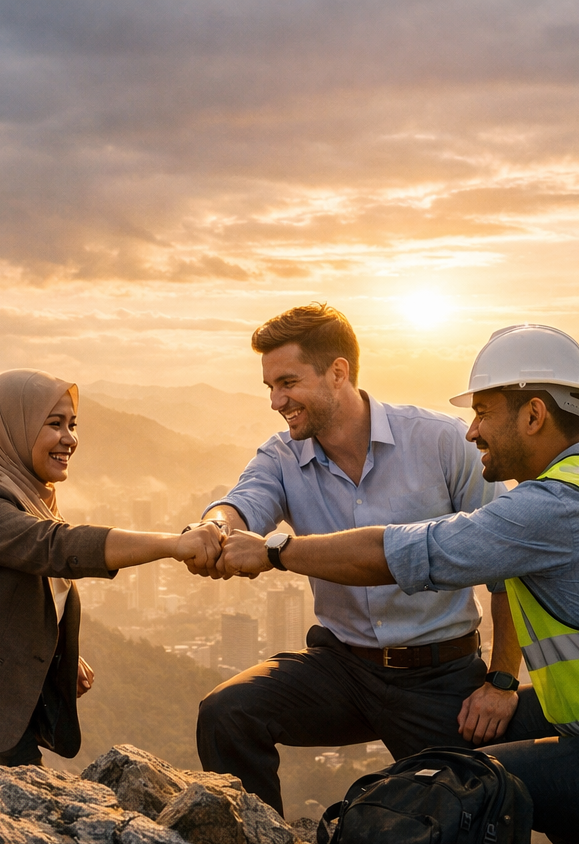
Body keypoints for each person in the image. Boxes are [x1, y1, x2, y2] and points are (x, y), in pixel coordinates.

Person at [219, 324, 579, 844]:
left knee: (450, 785)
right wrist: (501, 683)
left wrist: (278, 550)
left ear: (532, 416)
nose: (471, 431)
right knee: (472, 743)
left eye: (483, 413)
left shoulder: (551, 509)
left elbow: (399, 553)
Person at [188, 302, 512, 817]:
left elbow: (507, 574)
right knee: (227, 713)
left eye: (288, 382)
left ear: (338, 372)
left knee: (471, 817)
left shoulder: (442, 442)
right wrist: (214, 526)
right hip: (342, 666)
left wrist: (501, 682)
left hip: (439, 673)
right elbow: (243, 503)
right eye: (270, 387)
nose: (276, 400)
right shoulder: (281, 457)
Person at [0, 369, 224, 791]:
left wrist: (46, 653)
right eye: (54, 424)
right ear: (11, 426)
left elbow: (11, 593)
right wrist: (174, 544)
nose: (70, 438)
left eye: (72, 425)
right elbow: (53, 547)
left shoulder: (31, 500)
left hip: (6, 728)